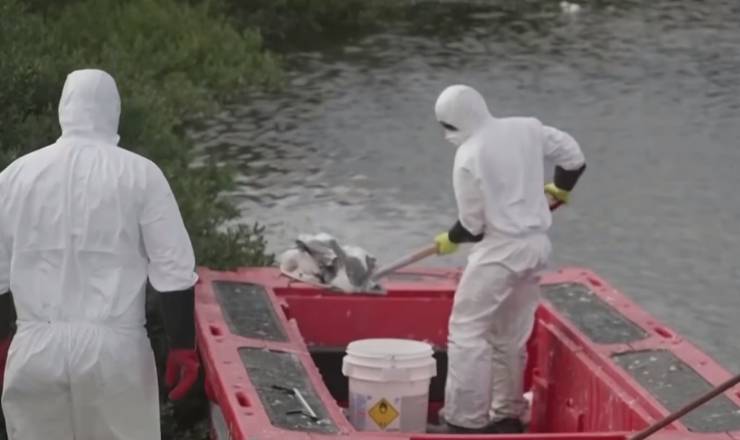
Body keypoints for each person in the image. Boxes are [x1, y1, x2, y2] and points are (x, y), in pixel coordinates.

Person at [0, 68, 200, 439]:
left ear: (64, 109)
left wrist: (1, 343)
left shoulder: (14, 176)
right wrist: (183, 347)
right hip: (115, 351)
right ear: (114, 111)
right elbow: (173, 270)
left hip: (34, 347)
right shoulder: (142, 174)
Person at [428, 85, 586, 434]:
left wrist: (450, 239)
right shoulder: (526, 128)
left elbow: (473, 225)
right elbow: (573, 156)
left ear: (457, 121)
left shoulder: (468, 155)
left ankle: (464, 421)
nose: (447, 135)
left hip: (500, 252)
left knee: (467, 331)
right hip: (536, 248)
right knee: (510, 335)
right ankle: (507, 415)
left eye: (448, 127)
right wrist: (560, 189)